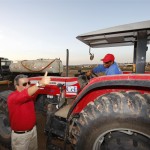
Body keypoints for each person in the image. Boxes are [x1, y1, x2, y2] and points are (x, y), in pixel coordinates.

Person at [7, 71, 50, 150]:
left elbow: (31, 93)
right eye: (24, 84)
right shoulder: (12, 97)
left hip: (33, 131)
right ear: (16, 86)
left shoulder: (29, 96)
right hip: (21, 137)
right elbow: (24, 94)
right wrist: (39, 83)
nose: (27, 86)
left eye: (28, 83)